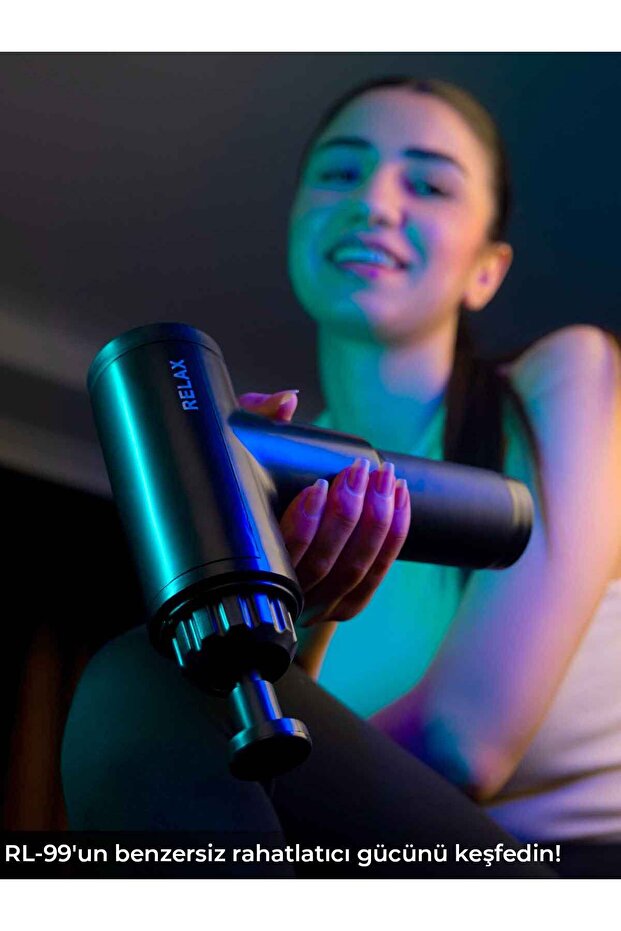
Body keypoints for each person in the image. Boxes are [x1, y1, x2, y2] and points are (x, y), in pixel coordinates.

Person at [61, 76, 620, 877]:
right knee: (176, 685)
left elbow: (465, 744)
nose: (374, 204)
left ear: (486, 269)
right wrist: (303, 619)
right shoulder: (262, 489)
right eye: (340, 172)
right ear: (297, 222)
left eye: (428, 185)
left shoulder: (565, 379)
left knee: (144, 685)